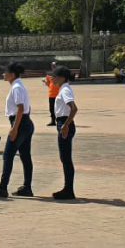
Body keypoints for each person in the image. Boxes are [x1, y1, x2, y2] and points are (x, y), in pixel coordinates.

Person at [0, 62, 35, 198]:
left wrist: (15, 128)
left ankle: (3, 187)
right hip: (25, 123)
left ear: (12, 75)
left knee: (8, 155)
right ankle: (27, 187)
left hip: (19, 124)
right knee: (25, 156)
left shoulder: (17, 87)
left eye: (5, 72)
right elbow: (27, 107)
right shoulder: (19, 86)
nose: (3, 74)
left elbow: (20, 108)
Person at [51, 66, 78, 200]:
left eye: (55, 76)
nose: (52, 79)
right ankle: (68, 188)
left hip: (64, 124)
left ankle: (69, 190)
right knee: (65, 158)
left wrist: (66, 125)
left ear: (62, 78)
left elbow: (74, 108)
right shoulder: (63, 89)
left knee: (66, 159)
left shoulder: (65, 90)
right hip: (63, 123)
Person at [42, 62, 60, 126]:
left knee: (58, 108)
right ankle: (53, 121)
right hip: (51, 94)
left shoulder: (60, 74)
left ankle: (60, 121)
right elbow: (48, 84)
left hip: (59, 94)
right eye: (52, 66)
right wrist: (45, 82)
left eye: (55, 65)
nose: (53, 67)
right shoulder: (49, 75)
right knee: (51, 108)